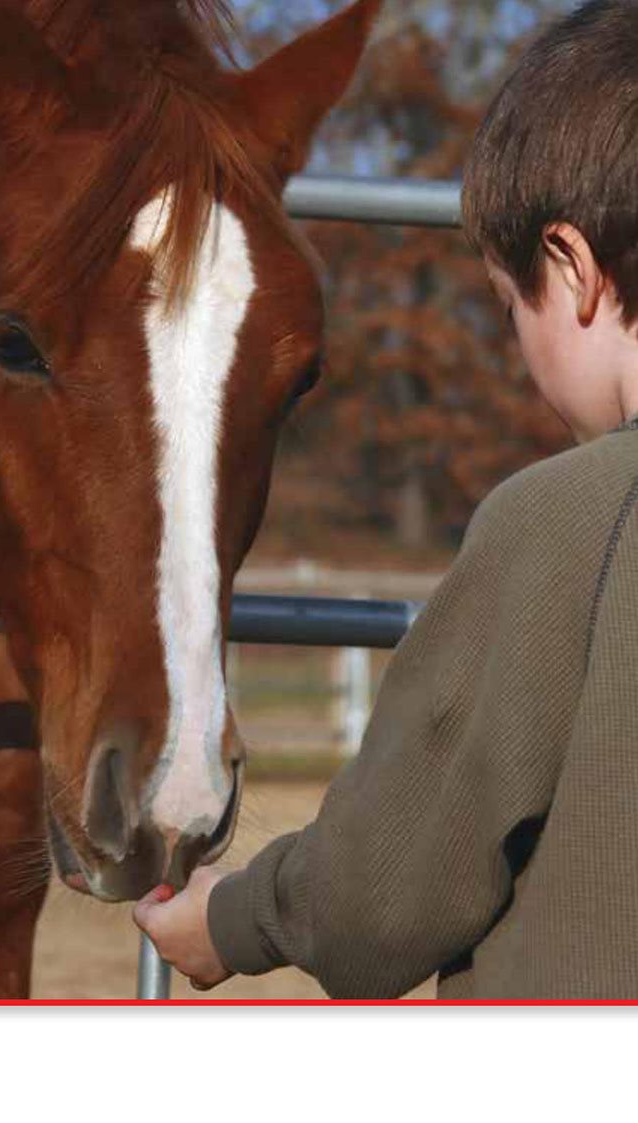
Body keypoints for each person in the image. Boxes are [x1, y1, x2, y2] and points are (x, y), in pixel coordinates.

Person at [133, 0, 638, 1000]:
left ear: (570, 269)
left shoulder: (566, 521)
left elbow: (382, 898)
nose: (514, 343)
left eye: (507, 307)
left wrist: (232, 916)